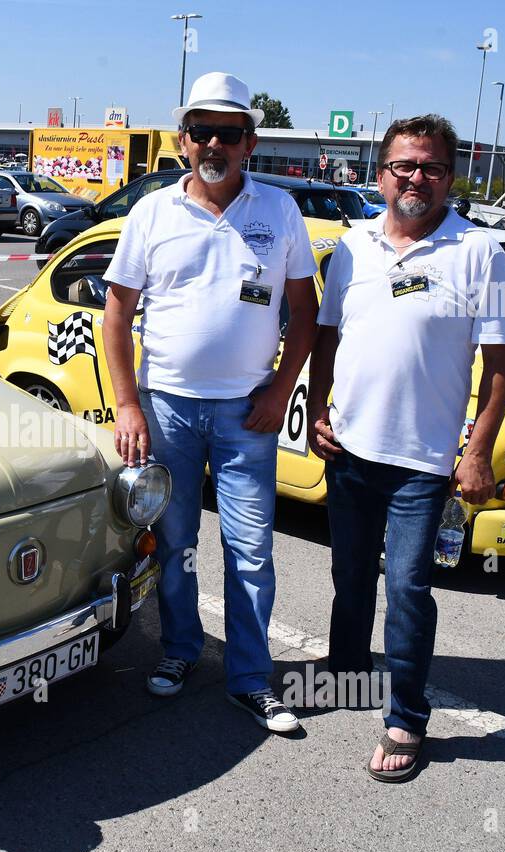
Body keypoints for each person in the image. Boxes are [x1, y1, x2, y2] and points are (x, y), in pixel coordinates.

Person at [102, 73, 319, 731]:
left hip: (246, 411)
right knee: (176, 543)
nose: (214, 143)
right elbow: (116, 316)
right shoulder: (151, 214)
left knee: (251, 549)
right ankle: (179, 653)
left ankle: (251, 680)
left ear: (250, 142)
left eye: (229, 132)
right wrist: (128, 406)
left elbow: (306, 313)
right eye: (203, 131)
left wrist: (282, 390)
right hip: (167, 409)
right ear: (182, 140)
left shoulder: (279, 211)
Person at [307, 114, 505, 781]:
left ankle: (405, 717)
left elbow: (501, 368)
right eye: (403, 165)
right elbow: (326, 339)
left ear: (450, 178)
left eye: (429, 167)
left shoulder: (480, 254)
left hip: (422, 465)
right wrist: (316, 408)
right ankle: (345, 673)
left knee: (406, 589)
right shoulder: (352, 246)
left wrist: (476, 452)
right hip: (350, 452)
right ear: (381, 172)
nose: (415, 178)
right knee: (348, 579)